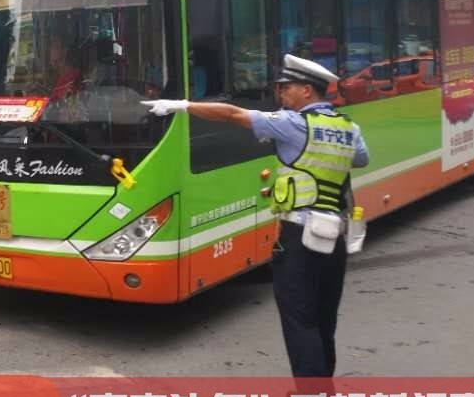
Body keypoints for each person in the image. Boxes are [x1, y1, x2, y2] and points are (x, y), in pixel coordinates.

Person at [146, 54, 369, 378]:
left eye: (287, 87)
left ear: (307, 90)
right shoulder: (349, 127)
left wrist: (182, 105)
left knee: (300, 322)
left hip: (300, 239)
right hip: (335, 238)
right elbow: (360, 159)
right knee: (324, 319)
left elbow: (232, 113)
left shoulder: (293, 124)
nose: (281, 94)